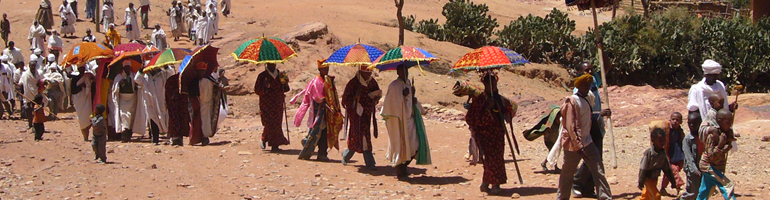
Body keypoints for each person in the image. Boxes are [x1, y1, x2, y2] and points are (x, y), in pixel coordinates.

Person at [557, 73, 612, 200]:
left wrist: (601, 114)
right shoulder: (572, 101)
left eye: (589, 84)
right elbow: (571, 127)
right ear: (579, 86)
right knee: (567, 173)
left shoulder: (588, 98)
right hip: (573, 145)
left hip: (588, 142)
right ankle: (562, 197)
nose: (588, 86)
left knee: (598, 169)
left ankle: (605, 197)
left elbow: (589, 115)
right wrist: (578, 146)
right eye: (585, 84)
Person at [465, 72, 516, 194]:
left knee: (495, 158)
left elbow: (506, 112)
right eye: (489, 83)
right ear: (485, 84)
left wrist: (503, 110)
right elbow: (472, 117)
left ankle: (486, 183)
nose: (492, 86)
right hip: (485, 134)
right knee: (491, 158)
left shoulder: (498, 98)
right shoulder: (480, 99)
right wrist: (488, 107)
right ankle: (495, 184)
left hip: (497, 133)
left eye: (494, 83)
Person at [380, 64, 431, 181]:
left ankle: (404, 165)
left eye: (406, 71)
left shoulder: (408, 83)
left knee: (415, 144)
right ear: (398, 73)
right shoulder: (394, 86)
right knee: (400, 145)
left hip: (410, 120)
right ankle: (400, 169)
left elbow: (409, 102)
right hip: (399, 121)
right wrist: (402, 95)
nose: (405, 73)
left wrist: (412, 95)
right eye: (403, 71)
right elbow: (391, 104)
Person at [291, 59, 342, 161]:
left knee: (325, 132)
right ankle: (320, 153)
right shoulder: (316, 82)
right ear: (319, 69)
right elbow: (319, 98)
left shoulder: (328, 80)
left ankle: (321, 152)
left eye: (327, 68)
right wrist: (327, 104)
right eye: (324, 69)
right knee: (320, 132)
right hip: (320, 112)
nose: (326, 70)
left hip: (327, 111)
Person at [571, 62, 609, 198]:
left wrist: (601, 47)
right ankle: (577, 182)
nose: (591, 72)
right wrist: (600, 113)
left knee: (597, 157)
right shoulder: (578, 92)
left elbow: (606, 68)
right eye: (587, 70)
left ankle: (588, 188)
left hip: (596, 125)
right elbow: (582, 112)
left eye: (592, 69)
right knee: (593, 157)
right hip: (588, 127)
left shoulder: (592, 83)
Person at [341, 65, 382, 169]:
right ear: (362, 72)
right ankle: (368, 162)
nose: (369, 75)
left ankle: (352, 157)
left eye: (370, 72)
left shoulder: (372, 82)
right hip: (356, 115)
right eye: (367, 73)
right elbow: (345, 99)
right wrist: (355, 99)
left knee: (365, 136)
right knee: (356, 135)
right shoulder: (353, 83)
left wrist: (375, 98)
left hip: (366, 115)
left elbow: (376, 94)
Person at [686, 60, 737, 141]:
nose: (716, 78)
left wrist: (730, 108)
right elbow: (693, 112)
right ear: (706, 75)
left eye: (717, 75)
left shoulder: (720, 86)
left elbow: (724, 107)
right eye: (713, 76)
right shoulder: (697, 89)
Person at [697, 109, 736, 200]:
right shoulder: (713, 136)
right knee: (727, 186)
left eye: (731, 122)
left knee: (705, 191)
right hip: (708, 166)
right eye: (728, 122)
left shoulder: (725, 134)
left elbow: (728, 147)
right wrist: (720, 144)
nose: (730, 125)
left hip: (716, 166)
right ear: (719, 122)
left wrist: (728, 141)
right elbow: (711, 156)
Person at [254, 63, 290, 151]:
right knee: (268, 122)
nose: (272, 65)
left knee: (277, 122)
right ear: (267, 63)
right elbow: (257, 90)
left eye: (274, 62)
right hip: (266, 104)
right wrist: (265, 87)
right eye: (270, 63)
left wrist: (285, 83)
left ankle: (275, 145)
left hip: (277, 103)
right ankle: (266, 138)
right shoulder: (262, 76)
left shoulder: (281, 75)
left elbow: (286, 89)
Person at [134, 65, 174, 145]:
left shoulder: (162, 75)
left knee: (163, 119)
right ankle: (155, 139)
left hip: (161, 102)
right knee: (153, 120)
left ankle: (167, 135)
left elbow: (170, 74)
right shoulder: (144, 77)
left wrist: (166, 67)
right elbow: (136, 80)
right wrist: (141, 70)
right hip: (150, 103)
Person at [637, 128, 677, 200]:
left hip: (655, 178)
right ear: (653, 140)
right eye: (660, 141)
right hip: (648, 178)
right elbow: (643, 168)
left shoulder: (662, 153)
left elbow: (667, 168)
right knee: (657, 196)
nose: (662, 143)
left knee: (647, 195)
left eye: (663, 140)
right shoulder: (648, 154)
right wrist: (641, 181)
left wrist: (673, 181)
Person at [187, 62, 219, 146]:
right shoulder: (194, 82)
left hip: (208, 104)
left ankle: (205, 137)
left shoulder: (209, 79)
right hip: (199, 104)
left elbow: (217, 89)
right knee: (198, 121)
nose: (201, 73)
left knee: (206, 120)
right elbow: (192, 94)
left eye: (203, 71)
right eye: (200, 71)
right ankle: (200, 137)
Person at [110, 61, 140, 142]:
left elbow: (138, 83)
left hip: (132, 98)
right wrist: (121, 83)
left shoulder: (134, 75)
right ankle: (124, 135)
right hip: (123, 98)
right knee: (124, 116)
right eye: (126, 67)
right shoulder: (119, 77)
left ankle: (129, 134)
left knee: (131, 117)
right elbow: (115, 89)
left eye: (128, 67)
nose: (127, 69)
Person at [658, 112, 686, 197]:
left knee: (669, 173)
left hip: (678, 155)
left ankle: (662, 189)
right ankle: (679, 188)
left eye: (677, 120)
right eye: (673, 119)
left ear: (681, 121)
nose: (675, 121)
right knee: (673, 170)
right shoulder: (667, 131)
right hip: (668, 155)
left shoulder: (680, 132)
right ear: (670, 120)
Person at [680, 112, 705, 200]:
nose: (691, 125)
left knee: (702, 191)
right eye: (689, 123)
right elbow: (688, 156)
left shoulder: (703, 136)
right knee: (692, 192)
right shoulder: (687, 139)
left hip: (703, 168)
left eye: (694, 123)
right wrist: (694, 169)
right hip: (692, 170)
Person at [69, 66, 94, 141]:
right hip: (79, 100)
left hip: (87, 100)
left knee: (88, 116)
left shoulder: (88, 76)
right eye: (80, 69)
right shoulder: (74, 79)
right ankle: (85, 137)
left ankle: (87, 134)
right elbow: (73, 91)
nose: (82, 70)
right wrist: (81, 87)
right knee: (82, 118)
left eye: (83, 68)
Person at [19, 57, 44, 129]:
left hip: (36, 94)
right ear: (29, 66)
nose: (33, 67)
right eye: (31, 66)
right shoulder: (25, 74)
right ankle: (30, 124)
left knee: (36, 110)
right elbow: (21, 83)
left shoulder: (39, 73)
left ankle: (36, 125)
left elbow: (42, 81)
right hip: (28, 94)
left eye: (34, 66)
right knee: (28, 109)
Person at [166, 73, 189, 146]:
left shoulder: (186, 79)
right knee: (175, 120)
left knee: (182, 120)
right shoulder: (172, 80)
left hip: (181, 104)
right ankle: (175, 138)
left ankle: (179, 138)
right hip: (174, 105)